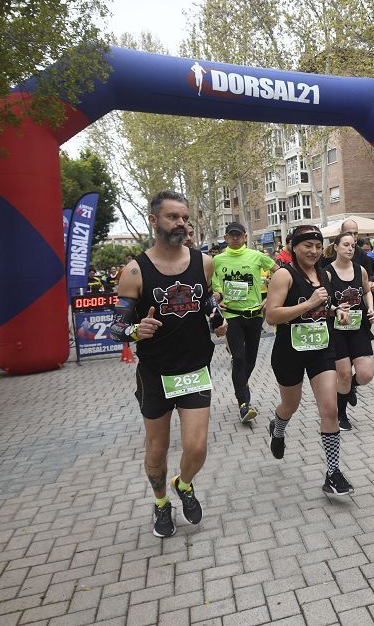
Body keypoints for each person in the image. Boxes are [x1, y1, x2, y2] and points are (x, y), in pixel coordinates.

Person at [110, 190, 228, 538]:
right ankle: (161, 502)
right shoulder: (134, 271)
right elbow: (116, 327)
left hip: (194, 368)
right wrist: (135, 329)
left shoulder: (203, 261)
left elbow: (204, 297)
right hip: (155, 373)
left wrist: (217, 319)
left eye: (184, 218)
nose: (181, 224)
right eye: (173, 217)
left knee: (196, 447)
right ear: (154, 220)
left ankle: (185, 483)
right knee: (157, 450)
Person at [264, 224, 355, 496]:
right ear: (294, 246)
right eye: (308, 246)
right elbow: (272, 316)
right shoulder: (284, 275)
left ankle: (333, 473)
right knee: (290, 405)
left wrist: (338, 310)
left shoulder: (324, 274)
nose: (314, 251)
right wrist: (309, 303)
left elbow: (324, 303)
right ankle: (278, 428)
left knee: (329, 410)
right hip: (289, 352)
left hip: (321, 350)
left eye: (317, 246)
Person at [211, 221, 276, 424]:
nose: (236, 238)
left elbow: (281, 274)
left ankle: (240, 384)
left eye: (239, 235)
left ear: (245, 236)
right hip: (232, 315)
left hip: (255, 315)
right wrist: (217, 296)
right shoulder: (218, 260)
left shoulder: (257, 257)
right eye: (232, 235)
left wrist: (270, 298)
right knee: (239, 358)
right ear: (226, 237)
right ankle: (244, 404)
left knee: (251, 360)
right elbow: (213, 286)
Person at [325, 232, 374, 431]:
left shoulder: (360, 270)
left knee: (366, 374)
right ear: (336, 247)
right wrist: (335, 310)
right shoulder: (327, 273)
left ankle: (350, 388)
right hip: (337, 330)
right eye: (345, 245)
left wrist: (370, 308)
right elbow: (322, 301)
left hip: (358, 327)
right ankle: (341, 413)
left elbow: (366, 291)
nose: (350, 248)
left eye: (353, 245)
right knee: (344, 375)